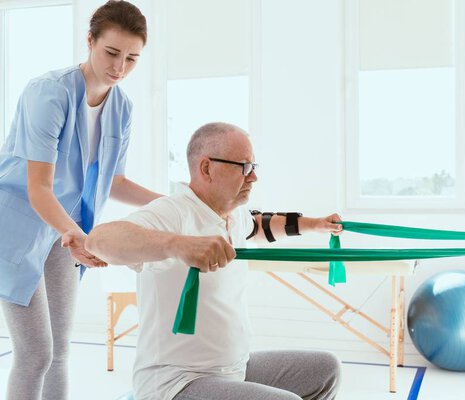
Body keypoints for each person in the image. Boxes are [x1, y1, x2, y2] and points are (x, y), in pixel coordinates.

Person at [0, 2, 204, 399]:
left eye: (132, 58)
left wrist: (180, 204)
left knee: (61, 351)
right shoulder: (50, 93)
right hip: (20, 225)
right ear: (90, 41)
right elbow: (39, 186)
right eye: (112, 53)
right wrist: (75, 235)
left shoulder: (121, 107)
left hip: (67, 228)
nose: (119, 68)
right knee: (35, 353)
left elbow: (115, 181)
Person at [86, 122, 343, 400]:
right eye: (244, 167)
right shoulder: (172, 212)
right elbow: (99, 240)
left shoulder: (232, 213)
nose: (253, 176)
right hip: (176, 383)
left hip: (233, 369)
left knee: (326, 369)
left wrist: (316, 224)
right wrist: (179, 245)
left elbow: (259, 225)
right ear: (206, 168)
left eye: (254, 166)